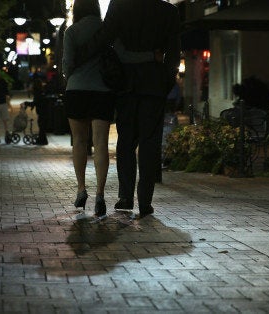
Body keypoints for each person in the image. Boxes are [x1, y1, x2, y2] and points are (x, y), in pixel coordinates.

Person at [75, 0, 181, 219]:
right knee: (150, 143)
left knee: (126, 141)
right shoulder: (168, 11)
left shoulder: (119, 6)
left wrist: (79, 56)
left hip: (126, 84)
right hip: (154, 85)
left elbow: (104, 37)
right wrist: (165, 81)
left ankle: (125, 197)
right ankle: (145, 200)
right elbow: (174, 51)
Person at [62, 0, 116, 217]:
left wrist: (71, 78)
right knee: (101, 142)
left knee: (79, 141)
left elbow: (67, 64)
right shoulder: (106, 30)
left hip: (76, 90)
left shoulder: (71, 32)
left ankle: (81, 189)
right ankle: (101, 194)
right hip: (103, 91)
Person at [32, 71, 48, 145]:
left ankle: (42, 140)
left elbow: (36, 102)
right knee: (42, 126)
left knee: (41, 126)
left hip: (42, 112)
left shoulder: (37, 92)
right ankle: (43, 140)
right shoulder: (41, 91)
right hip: (44, 111)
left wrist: (27, 103)